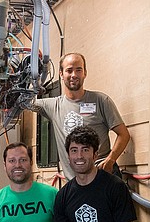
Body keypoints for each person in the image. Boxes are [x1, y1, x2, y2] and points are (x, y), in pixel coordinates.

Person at [31, 52, 131, 180]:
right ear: (61, 73)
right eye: (69, 70)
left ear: (85, 73)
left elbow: (124, 134)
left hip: (102, 176)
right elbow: (24, 102)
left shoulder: (101, 100)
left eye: (79, 70)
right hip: (75, 183)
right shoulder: (53, 106)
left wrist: (110, 160)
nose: (74, 75)